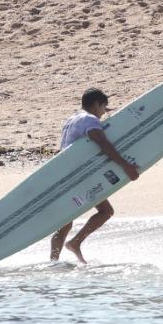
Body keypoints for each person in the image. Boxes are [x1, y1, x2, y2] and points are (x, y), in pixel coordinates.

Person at [48, 88, 140, 264]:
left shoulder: (72, 119)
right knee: (105, 211)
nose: (103, 113)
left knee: (66, 221)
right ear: (97, 104)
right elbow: (103, 144)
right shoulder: (90, 120)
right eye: (104, 108)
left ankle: (54, 262)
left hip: (65, 174)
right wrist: (126, 165)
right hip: (78, 176)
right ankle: (73, 244)